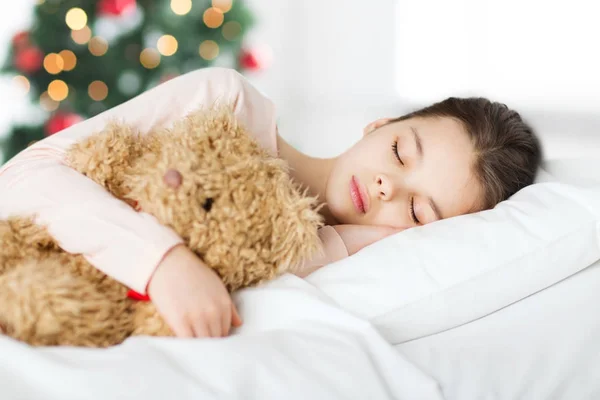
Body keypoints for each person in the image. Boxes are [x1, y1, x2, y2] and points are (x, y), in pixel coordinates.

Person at [0, 67, 541, 340]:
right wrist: (163, 261)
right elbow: (23, 178)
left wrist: (334, 245)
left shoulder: (336, 261)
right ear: (382, 124)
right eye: (401, 151)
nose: (386, 189)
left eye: (419, 210)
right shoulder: (227, 103)